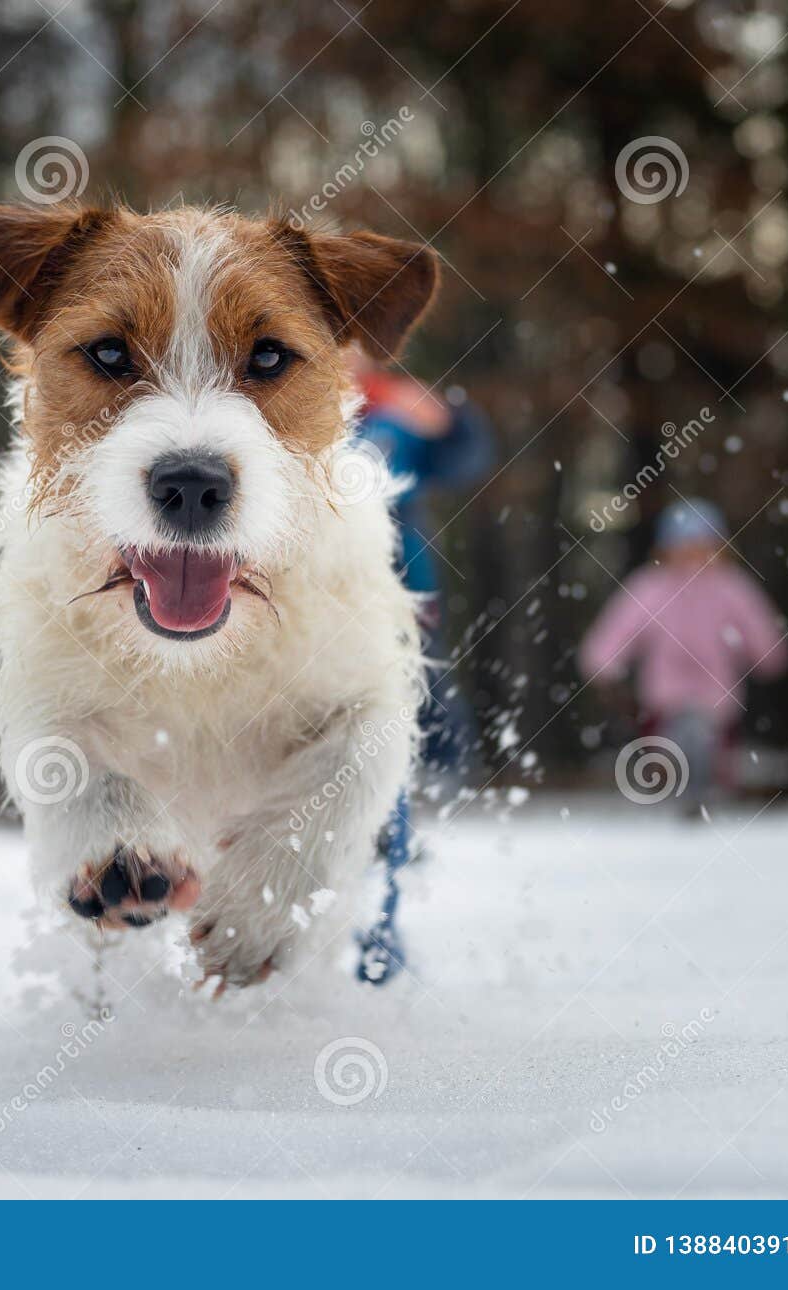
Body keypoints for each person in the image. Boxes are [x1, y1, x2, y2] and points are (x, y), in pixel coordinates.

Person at [348, 351, 496, 982]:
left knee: (393, 722)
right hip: (300, 601)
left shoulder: (395, 418)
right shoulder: (277, 407)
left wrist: (451, 419)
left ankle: (388, 864)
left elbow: (467, 461)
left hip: (399, 591)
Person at [579, 498, 788, 811]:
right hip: (665, 693)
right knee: (675, 739)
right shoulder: (651, 588)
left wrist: (768, 654)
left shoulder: (731, 588)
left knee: (706, 737)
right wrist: (603, 661)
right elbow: (620, 626)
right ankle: (676, 785)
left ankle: (703, 789)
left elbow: (757, 626)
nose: (694, 558)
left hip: (716, 691)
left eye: (702, 548)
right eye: (684, 548)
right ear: (666, 551)